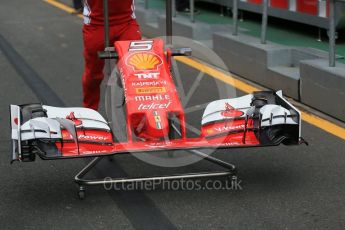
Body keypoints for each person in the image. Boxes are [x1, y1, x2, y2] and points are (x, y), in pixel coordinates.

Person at [82, 0, 142, 110]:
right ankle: (89, 112)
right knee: (93, 74)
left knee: (135, 71)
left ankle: (139, 116)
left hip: (126, 22)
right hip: (96, 24)